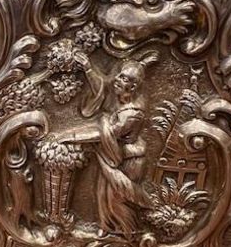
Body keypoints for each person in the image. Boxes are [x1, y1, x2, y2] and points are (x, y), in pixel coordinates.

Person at [56, 51, 158, 236]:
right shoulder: (120, 96)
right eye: (119, 75)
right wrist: (88, 67)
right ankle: (107, 226)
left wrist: (70, 136)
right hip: (112, 155)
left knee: (118, 197)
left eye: (123, 78)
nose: (117, 80)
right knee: (102, 193)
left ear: (133, 87)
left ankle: (129, 231)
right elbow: (102, 86)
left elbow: (105, 134)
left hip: (128, 160)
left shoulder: (132, 114)